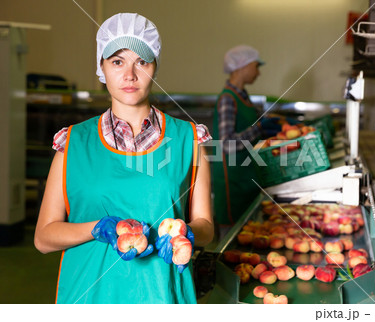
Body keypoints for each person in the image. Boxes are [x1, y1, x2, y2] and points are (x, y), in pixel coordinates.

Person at [34, 13, 214, 304]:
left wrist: (185, 232)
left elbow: (205, 226)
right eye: (117, 62)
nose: (129, 74)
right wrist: (97, 229)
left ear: (155, 67)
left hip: (162, 295)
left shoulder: (189, 140)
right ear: (101, 68)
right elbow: (43, 238)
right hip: (89, 296)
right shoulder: (73, 143)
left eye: (141, 62)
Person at [212, 45, 281, 232]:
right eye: (256, 66)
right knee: (231, 238)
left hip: (245, 178)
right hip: (232, 184)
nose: (258, 73)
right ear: (243, 65)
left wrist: (269, 128)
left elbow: (248, 129)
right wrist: (259, 129)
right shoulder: (228, 99)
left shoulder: (243, 97)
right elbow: (226, 144)